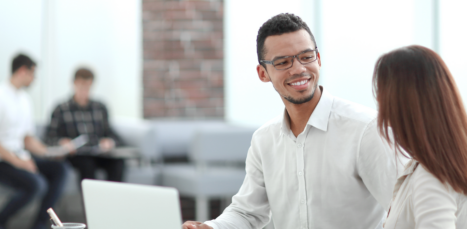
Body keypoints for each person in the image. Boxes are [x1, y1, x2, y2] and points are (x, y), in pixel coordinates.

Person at [183, 13, 397, 229]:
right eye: (283, 62)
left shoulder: (366, 129)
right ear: (263, 73)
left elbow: (405, 209)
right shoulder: (264, 140)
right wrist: (213, 227)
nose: (298, 69)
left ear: (319, 59)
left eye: (306, 57)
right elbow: (247, 213)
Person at [374, 45, 467, 228]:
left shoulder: (432, 175)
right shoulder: (442, 165)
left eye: (383, 93)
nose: (379, 102)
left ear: (403, 104)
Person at [0, 54, 68, 229]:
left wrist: (51, 152)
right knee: (37, 184)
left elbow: (28, 140)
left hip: (20, 156)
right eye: (33, 74)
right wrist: (18, 162)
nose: (34, 79)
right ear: (23, 71)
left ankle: (40, 225)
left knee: (60, 169)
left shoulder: (24, 100)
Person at [45, 68, 124, 182]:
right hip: (76, 155)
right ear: (74, 83)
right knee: (87, 164)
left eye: (88, 87)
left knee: (118, 163)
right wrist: (62, 142)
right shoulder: (61, 109)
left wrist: (109, 142)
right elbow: (49, 138)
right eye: (81, 86)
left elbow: (112, 134)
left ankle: (112, 199)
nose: (84, 90)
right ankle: (90, 200)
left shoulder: (100, 108)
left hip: (98, 153)